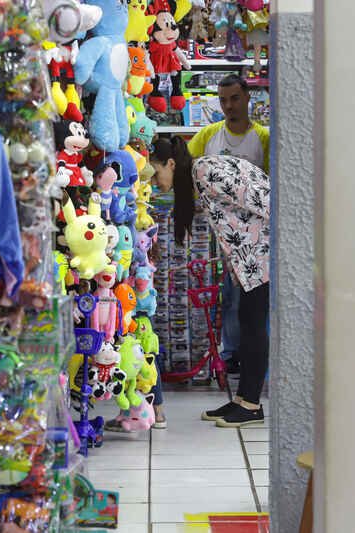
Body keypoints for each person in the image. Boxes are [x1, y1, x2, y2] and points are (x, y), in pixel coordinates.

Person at [150, 137, 270, 427]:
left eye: (155, 173)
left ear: (171, 164)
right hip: (249, 258)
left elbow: (265, 200)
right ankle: (242, 399)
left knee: (254, 325)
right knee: (246, 323)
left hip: (263, 254)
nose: (154, 182)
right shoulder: (197, 177)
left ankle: (252, 405)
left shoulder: (204, 170)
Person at [187, 74, 270, 376]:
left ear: (248, 97)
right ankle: (231, 352)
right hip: (218, 231)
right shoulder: (208, 135)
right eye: (223, 100)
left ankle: (251, 356)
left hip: (254, 239)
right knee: (228, 296)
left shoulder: (263, 138)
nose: (229, 106)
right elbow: (186, 170)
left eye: (234, 98)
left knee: (251, 301)